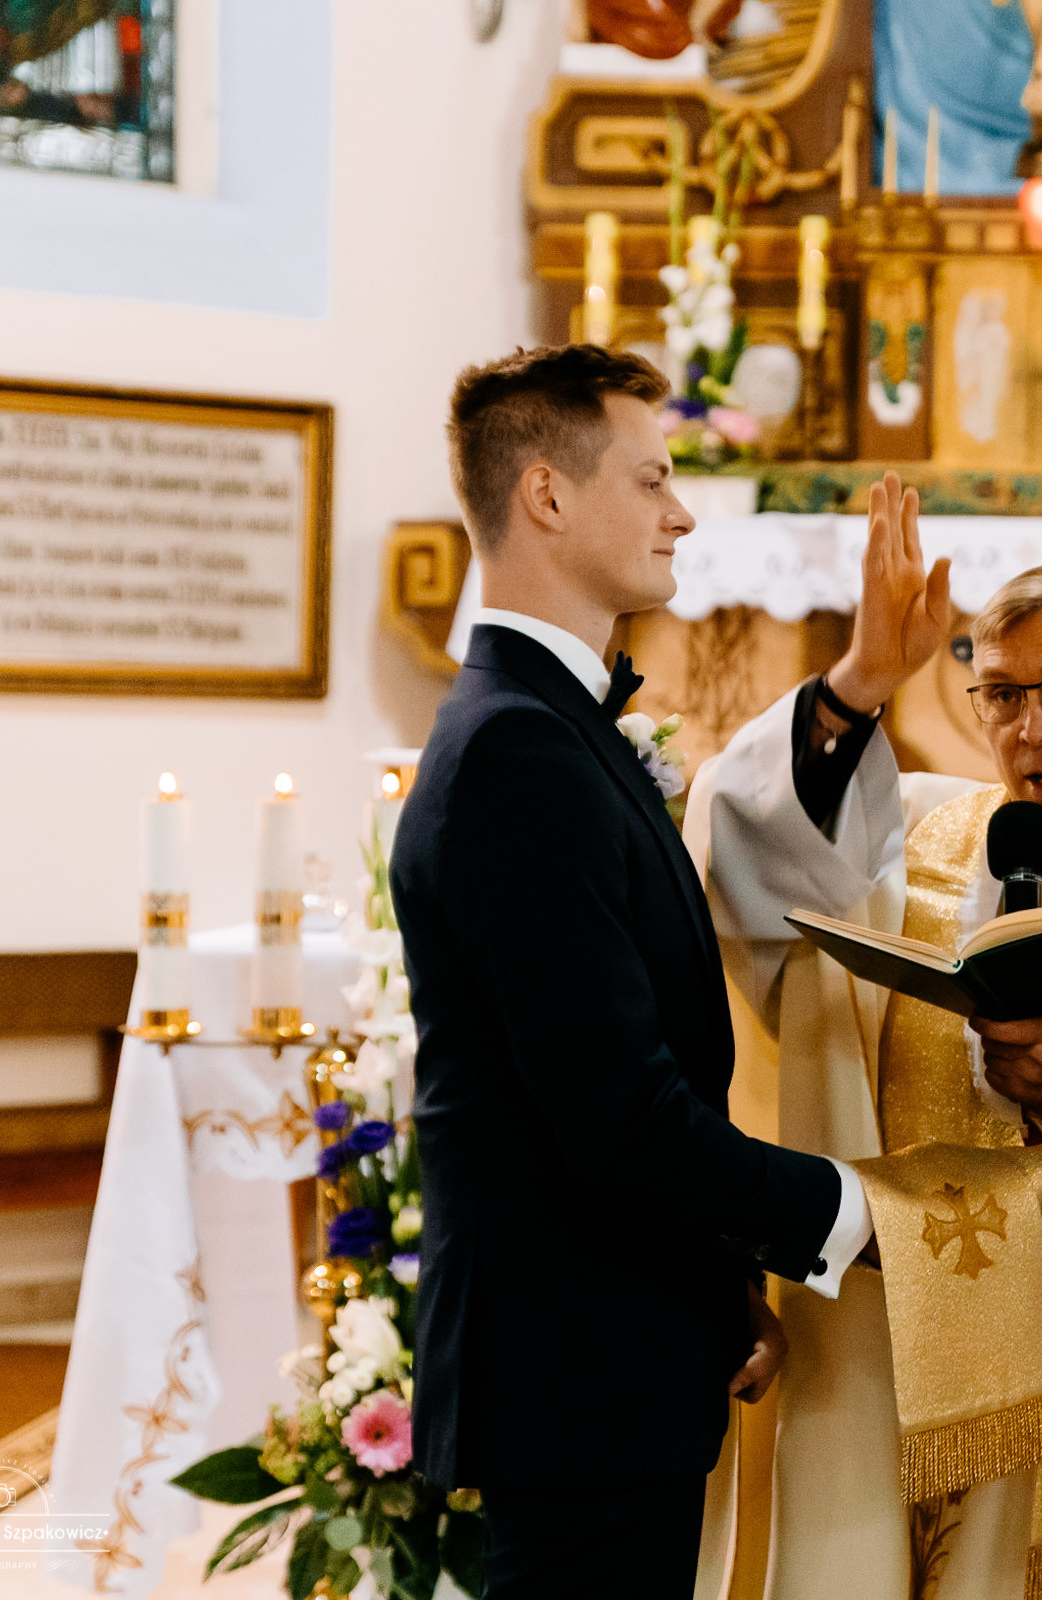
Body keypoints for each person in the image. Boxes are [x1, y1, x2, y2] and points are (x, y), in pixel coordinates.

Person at [692, 516, 1042, 1599]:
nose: (1031, 727)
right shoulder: (915, 846)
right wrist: (861, 679)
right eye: (1001, 694)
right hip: (901, 1355)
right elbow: (751, 853)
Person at [390, 345, 874, 1598]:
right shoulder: (518, 754)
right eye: (653, 478)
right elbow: (619, 1114)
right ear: (547, 494)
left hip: (611, 1347)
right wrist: (864, 1211)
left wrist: (720, 1286)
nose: (683, 512)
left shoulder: (547, 724)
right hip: (574, 1369)